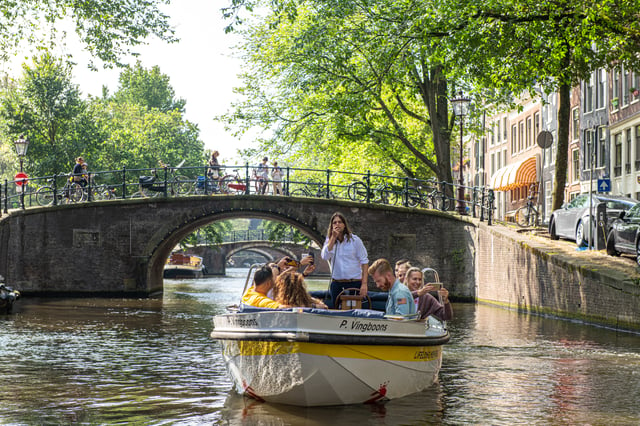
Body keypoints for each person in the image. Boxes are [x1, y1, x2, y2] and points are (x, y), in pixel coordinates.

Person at [320, 212, 369, 308]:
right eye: (334, 223)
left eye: (340, 222)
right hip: (337, 283)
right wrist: (333, 238)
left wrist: (364, 284)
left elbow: (365, 262)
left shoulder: (355, 240)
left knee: (355, 310)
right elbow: (325, 256)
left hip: (354, 282)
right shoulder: (330, 241)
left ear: (344, 225)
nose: (337, 224)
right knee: (336, 310)